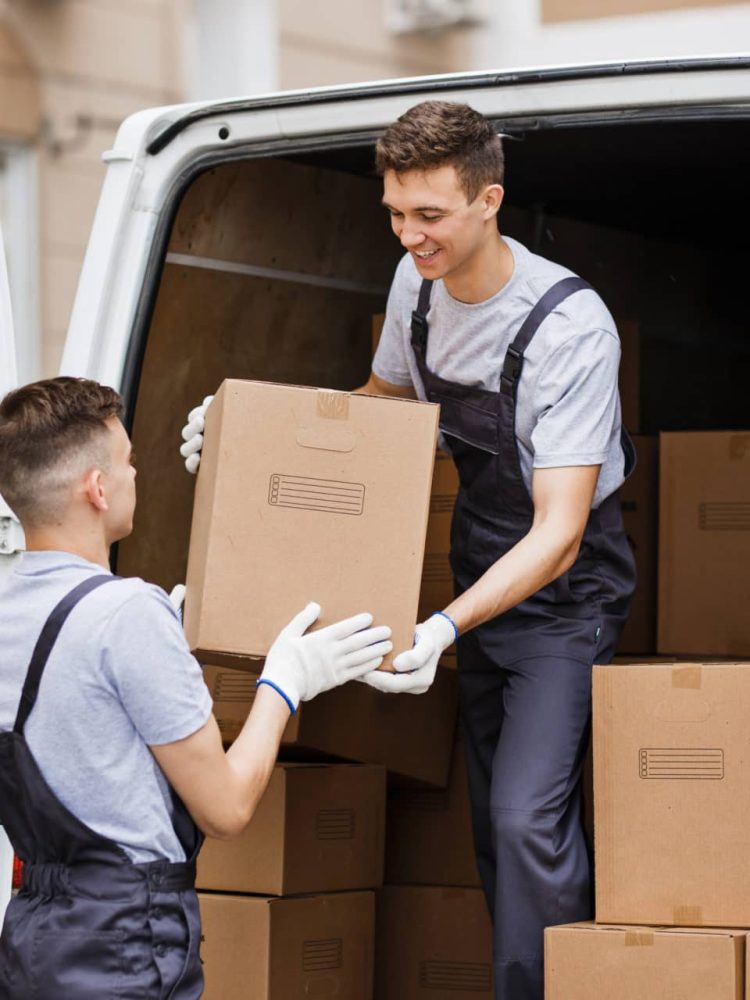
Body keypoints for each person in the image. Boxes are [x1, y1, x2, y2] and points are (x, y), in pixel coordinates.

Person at [179, 101, 635, 999]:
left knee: (520, 822)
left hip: (563, 602)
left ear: (489, 199)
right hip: (477, 578)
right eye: (394, 212)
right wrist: (245, 433)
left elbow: (561, 529)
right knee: (488, 827)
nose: (408, 235)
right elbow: (381, 405)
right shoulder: (413, 286)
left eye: (429, 216)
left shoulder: (571, 329)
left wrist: (439, 631)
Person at [0, 376, 391, 1000]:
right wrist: (283, 686)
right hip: (124, 944)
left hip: (35, 940)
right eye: (127, 462)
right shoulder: (128, 614)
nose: (136, 475)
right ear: (97, 489)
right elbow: (227, 807)